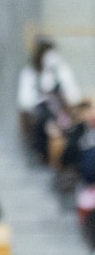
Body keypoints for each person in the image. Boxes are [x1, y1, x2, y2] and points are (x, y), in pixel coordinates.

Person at [19, 37, 81, 166]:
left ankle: (67, 163)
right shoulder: (29, 73)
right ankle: (47, 160)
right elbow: (26, 102)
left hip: (62, 112)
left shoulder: (61, 70)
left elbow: (74, 96)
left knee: (75, 129)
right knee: (47, 124)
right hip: (41, 114)